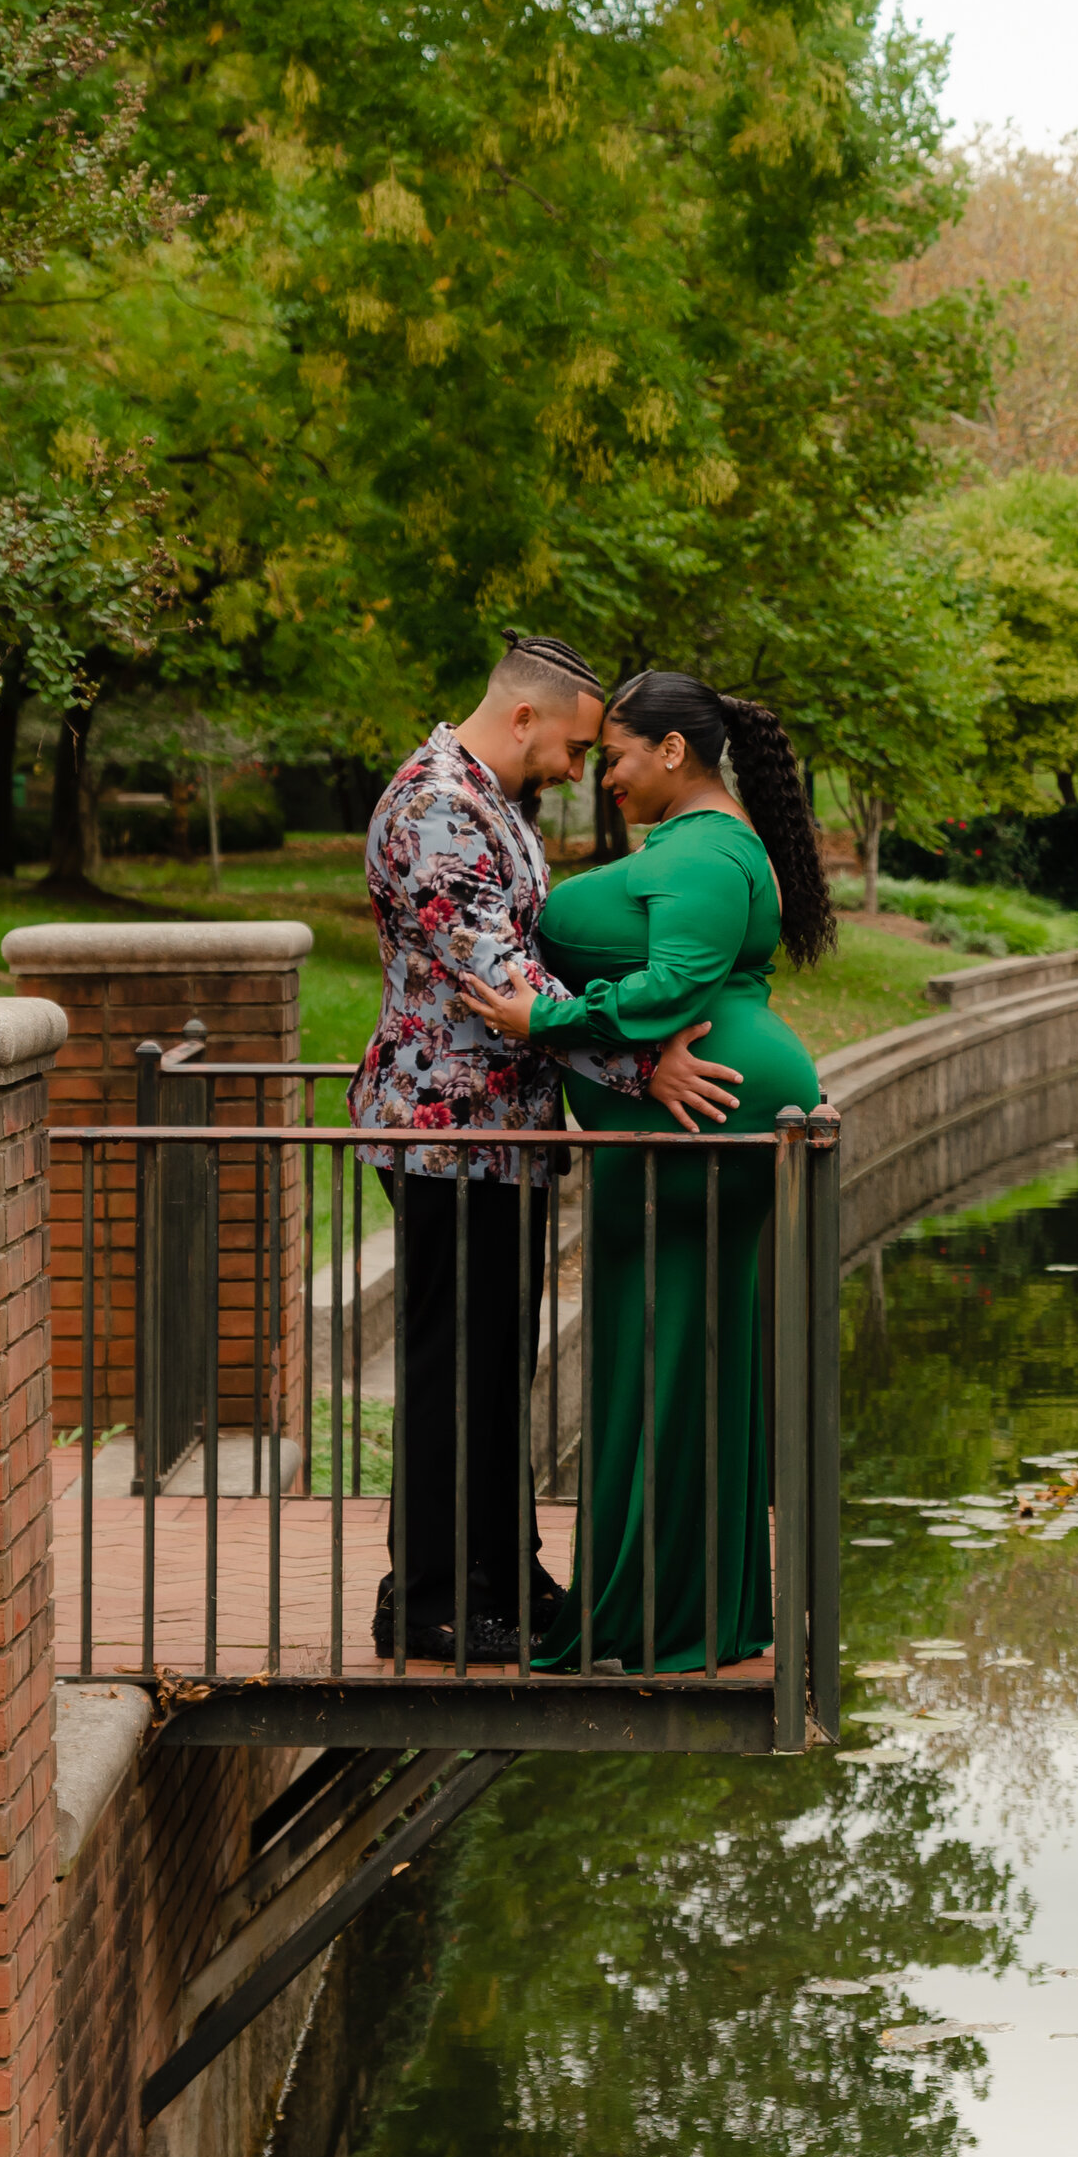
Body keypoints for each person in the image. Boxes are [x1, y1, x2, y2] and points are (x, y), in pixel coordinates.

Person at [351, 634, 741, 1665]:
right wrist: (641, 1068)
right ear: (524, 716)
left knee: (498, 1367)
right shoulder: (437, 806)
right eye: (574, 747)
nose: (581, 772)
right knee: (452, 1368)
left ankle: (503, 1573)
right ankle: (428, 1600)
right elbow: (503, 980)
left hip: (504, 1135)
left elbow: (527, 973)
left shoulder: (494, 802)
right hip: (446, 1135)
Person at [459, 667, 830, 1674]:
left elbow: (671, 989)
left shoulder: (705, 850)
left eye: (614, 755)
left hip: (699, 1120)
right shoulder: (697, 842)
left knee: (667, 1358)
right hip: (682, 1122)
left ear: (673, 751)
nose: (602, 775)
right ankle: (675, 1605)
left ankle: (662, 1617)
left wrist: (548, 1017)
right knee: (666, 1353)